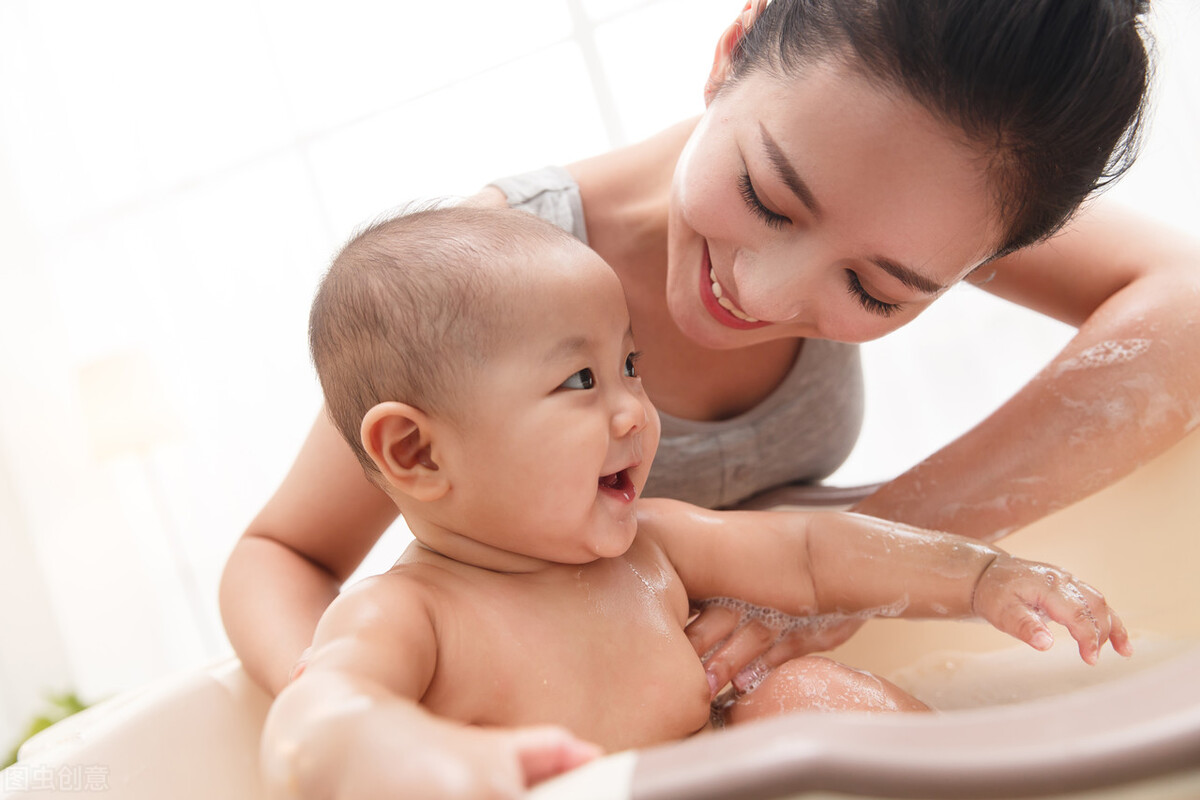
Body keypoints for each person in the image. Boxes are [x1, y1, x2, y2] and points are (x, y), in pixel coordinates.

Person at [222, 0, 1199, 698]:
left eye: (875, 287)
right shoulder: (487, 276)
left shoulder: (941, 186)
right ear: (733, 47)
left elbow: (1188, 309)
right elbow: (285, 552)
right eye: (771, 197)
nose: (761, 296)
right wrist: (367, 713)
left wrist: (863, 567)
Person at [260, 205, 1131, 799]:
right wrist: (436, 761)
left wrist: (979, 576)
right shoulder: (410, 616)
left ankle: (991, 781)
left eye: (631, 365)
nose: (635, 409)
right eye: (580, 379)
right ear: (415, 452)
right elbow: (317, 720)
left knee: (807, 691)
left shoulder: (654, 545)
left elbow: (812, 556)